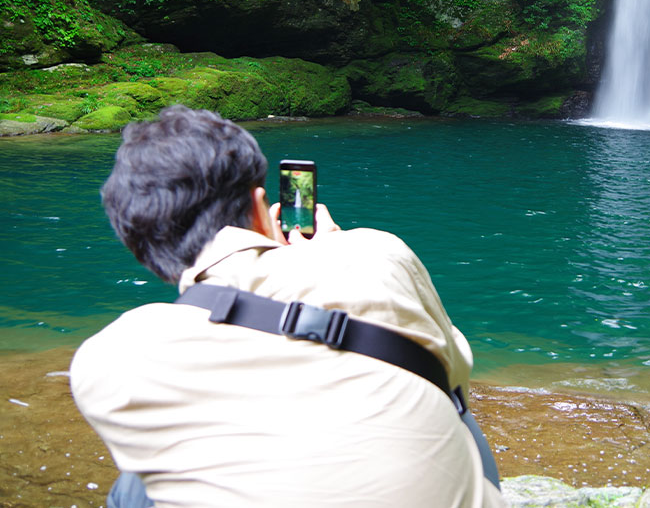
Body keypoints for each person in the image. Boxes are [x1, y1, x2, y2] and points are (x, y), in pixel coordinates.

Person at [70, 105, 506, 508]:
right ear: (261, 208)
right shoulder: (376, 252)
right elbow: (455, 370)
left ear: (140, 244)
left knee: (134, 485)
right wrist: (334, 253)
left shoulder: (106, 357)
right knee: (453, 410)